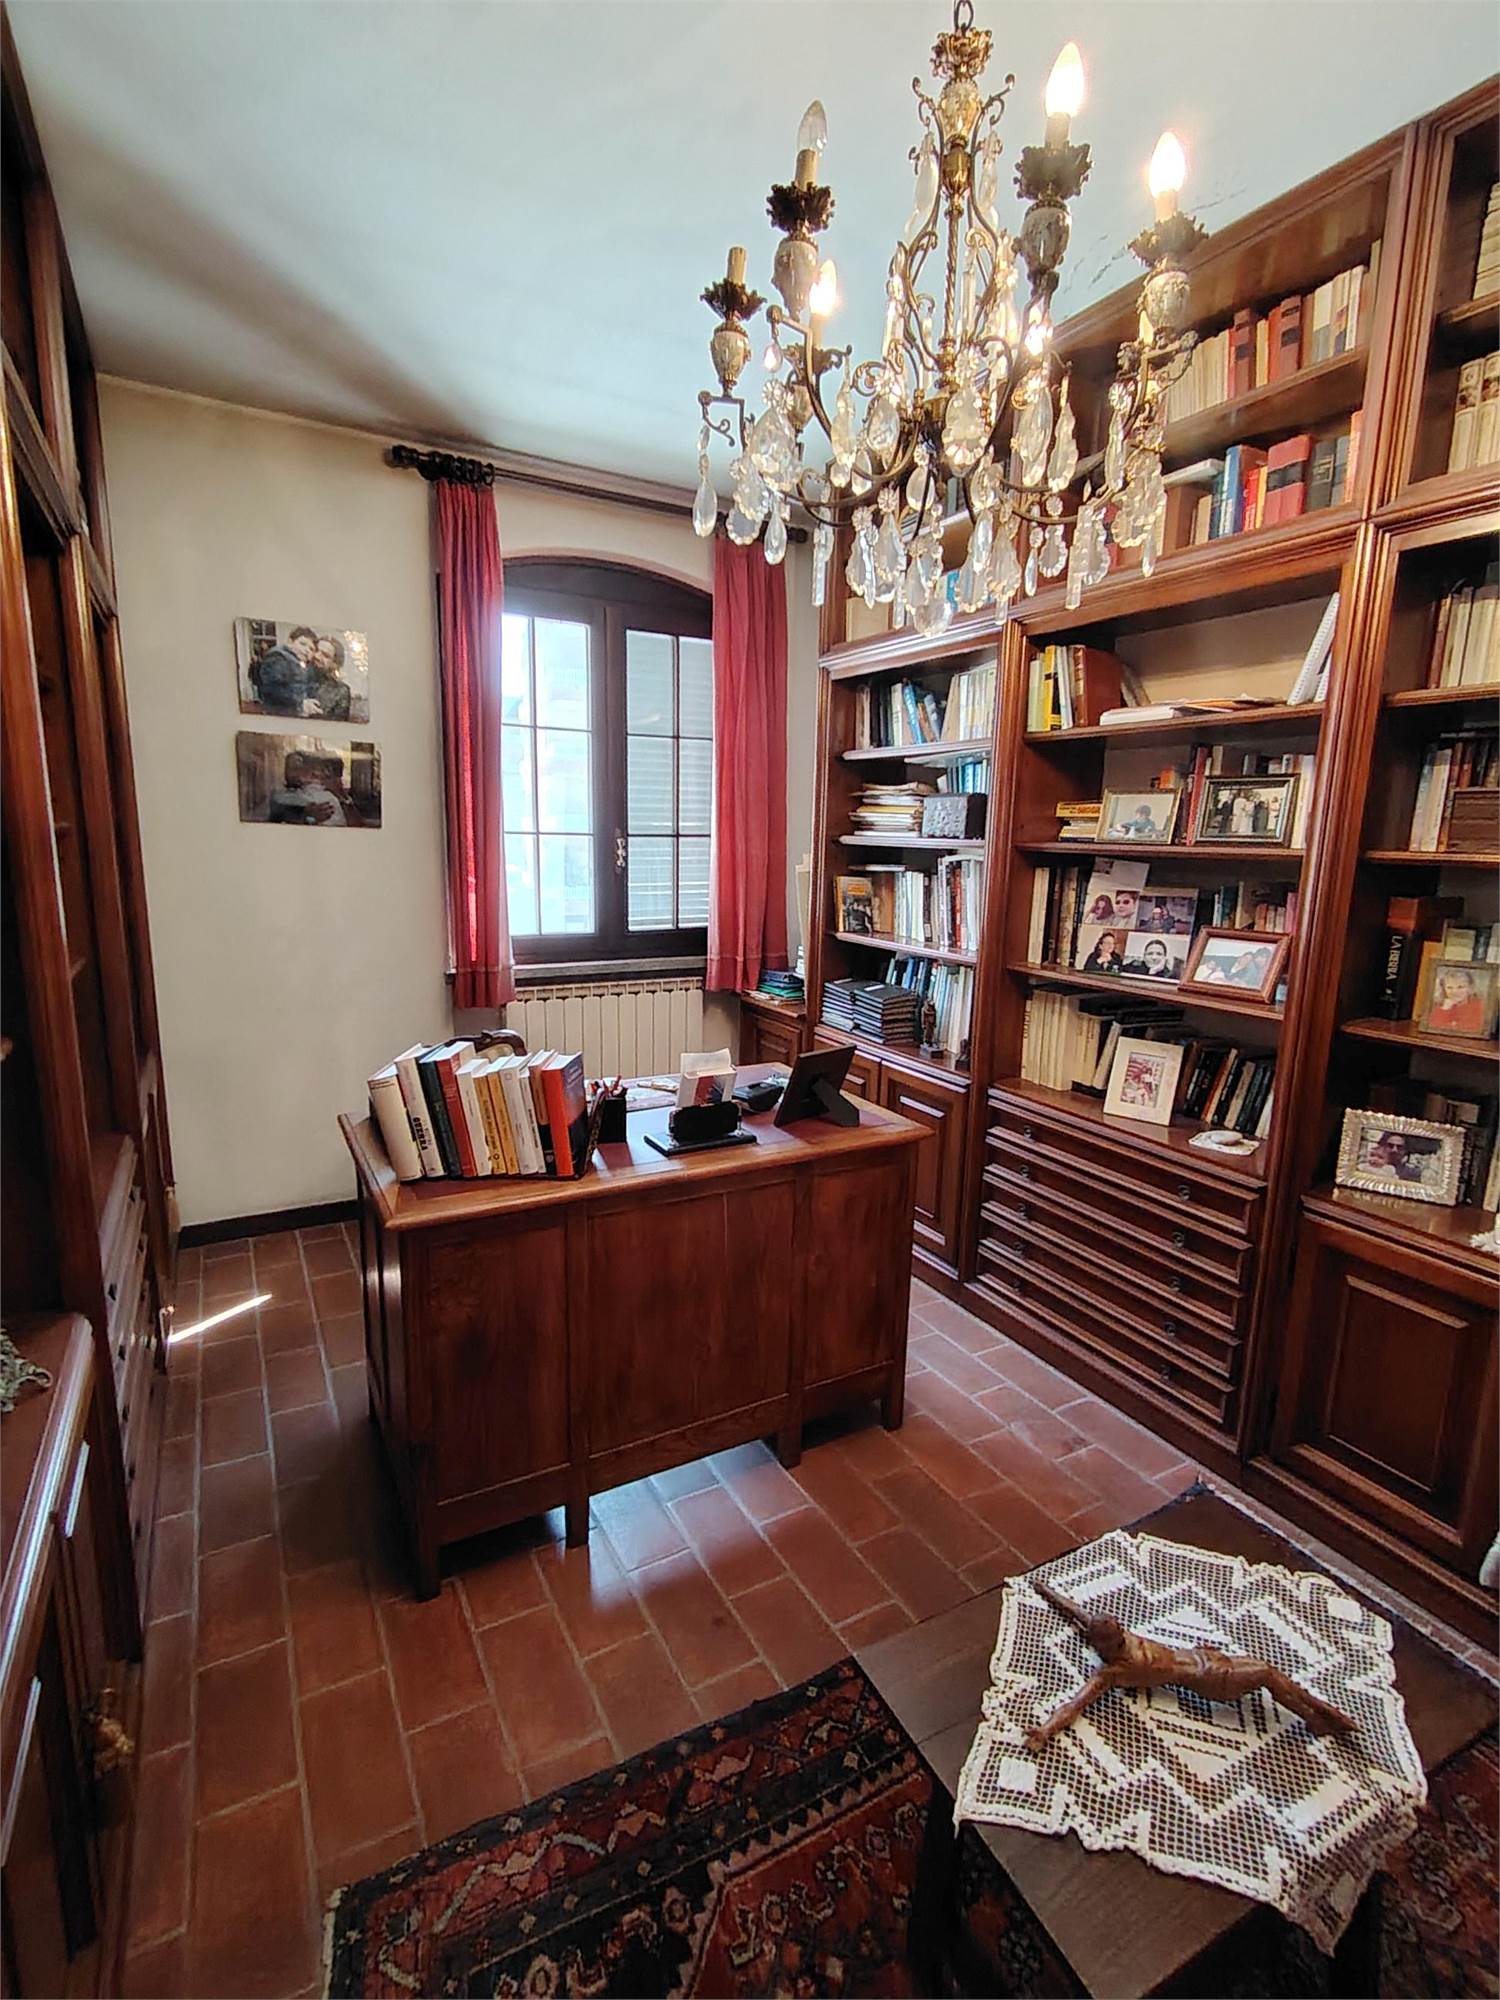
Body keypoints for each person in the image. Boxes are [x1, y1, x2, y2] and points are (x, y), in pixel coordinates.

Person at [267, 749, 347, 825]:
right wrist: (309, 817)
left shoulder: (326, 797)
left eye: (298, 768)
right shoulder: (279, 797)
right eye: (289, 768)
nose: (294, 774)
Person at [249, 625, 317, 714]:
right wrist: (300, 704)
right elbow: (273, 689)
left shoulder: (303, 664)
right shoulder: (278, 657)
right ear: (290, 642)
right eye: (303, 644)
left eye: (311, 649)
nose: (306, 650)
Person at [1427, 965, 1488, 1036]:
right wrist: (1444, 1010)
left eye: (1460, 987)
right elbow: (1432, 1027)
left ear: (1470, 988)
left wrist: (1450, 1025)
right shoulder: (1441, 1005)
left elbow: (1472, 1029)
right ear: (1444, 989)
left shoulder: (1478, 1005)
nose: (1455, 992)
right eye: (1449, 987)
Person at [305, 634, 353, 720]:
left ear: (334, 664)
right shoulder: (291, 675)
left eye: (325, 655)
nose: (317, 656)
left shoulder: (340, 691)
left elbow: (338, 726)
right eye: (316, 650)